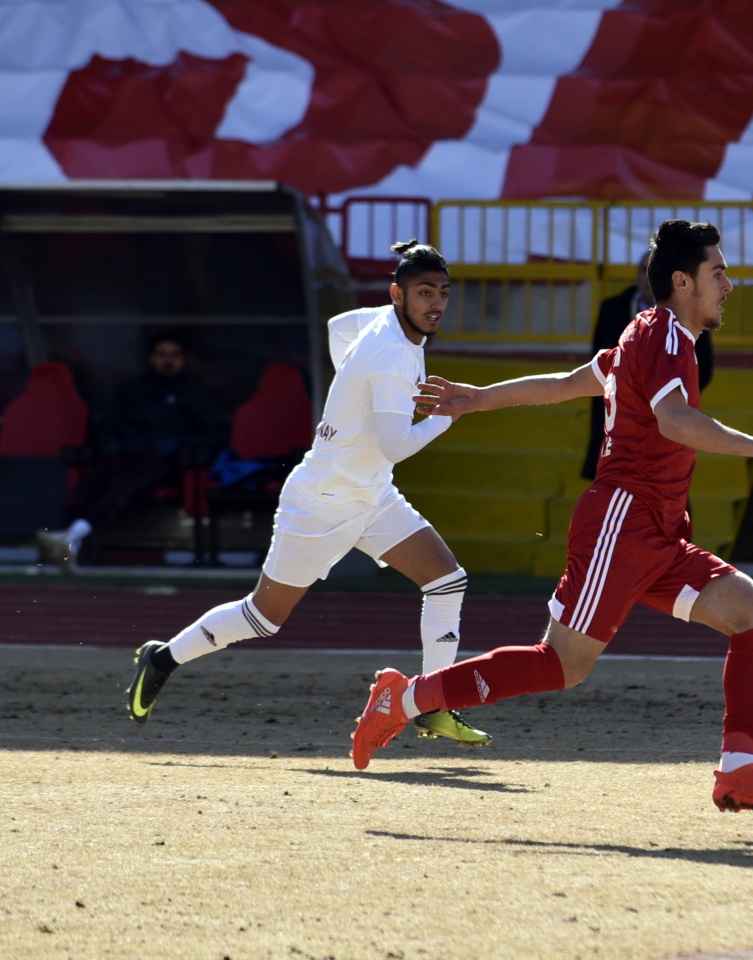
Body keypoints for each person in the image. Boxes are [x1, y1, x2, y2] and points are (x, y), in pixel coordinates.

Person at [350, 220, 753, 815]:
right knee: (560, 665)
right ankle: (404, 699)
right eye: (719, 273)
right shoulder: (664, 335)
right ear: (682, 281)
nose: (729, 285)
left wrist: (480, 397)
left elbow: (568, 383)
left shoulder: (650, 333)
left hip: (658, 531)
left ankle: (738, 771)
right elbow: (674, 420)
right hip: (622, 524)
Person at [125, 240, 490, 749]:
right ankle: (162, 658)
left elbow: (337, 328)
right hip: (320, 502)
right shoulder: (389, 354)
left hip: (371, 493)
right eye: (425, 292)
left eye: (443, 293)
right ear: (397, 294)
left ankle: (433, 704)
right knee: (261, 618)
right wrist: (448, 414)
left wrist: (351, 395)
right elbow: (396, 445)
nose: (436, 304)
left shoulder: (386, 326)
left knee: (447, 581)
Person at [36, 331, 227, 570]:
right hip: (125, 454)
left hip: (165, 462)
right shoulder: (133, 388)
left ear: (184, 358)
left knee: (123, 486)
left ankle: (70, 538)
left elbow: (212, 433)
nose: (168, 360)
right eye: (162, 355)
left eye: (174, 355)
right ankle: (73, 545)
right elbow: (109, 424)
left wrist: (178, 444)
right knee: (87, 485)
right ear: (151, 357)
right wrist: (112, 444)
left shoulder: (194, 391)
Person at [583, 251, 712, 479]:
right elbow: (598, 363)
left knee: (666, 486)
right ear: (637, 275)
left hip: (664, 418)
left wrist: (670, 397)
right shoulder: (613, 309)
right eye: (645, 271)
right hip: (620, 419)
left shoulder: (690, 313)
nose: (649, 278)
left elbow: (704, 366)